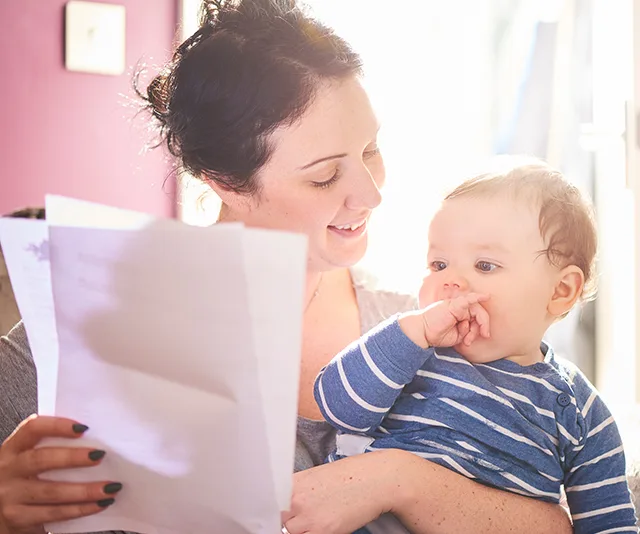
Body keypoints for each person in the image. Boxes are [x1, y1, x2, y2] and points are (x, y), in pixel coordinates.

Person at [0, 1, 575, 533]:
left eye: (372, 149)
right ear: (226, 182)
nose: (370, 194)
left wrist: (400, 480)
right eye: (325, 174)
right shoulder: (73, 337)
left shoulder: (427, 327)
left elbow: (560, 523)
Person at [315, 160, 638, 533]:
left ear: (560, 291)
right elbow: (336, 408)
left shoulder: (580, 412)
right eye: (438, 264)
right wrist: (412, 331)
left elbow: (609, 523)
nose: (451, 282)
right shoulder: (414, 352)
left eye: (485, 265)